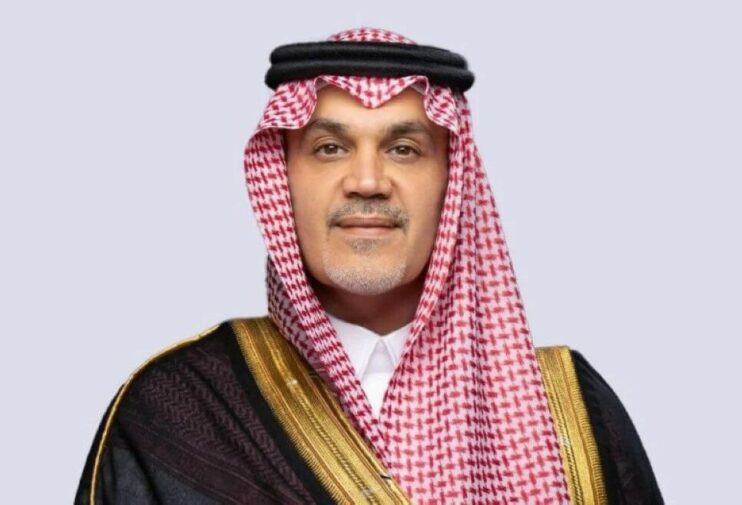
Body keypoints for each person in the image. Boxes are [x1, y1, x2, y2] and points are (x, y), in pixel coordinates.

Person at [75, 27, 664, 505]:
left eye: (403, 149)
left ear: (451, 183)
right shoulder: (181, 410)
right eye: (329, 148)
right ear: (283, 179)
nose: (366, 181)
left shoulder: (571, 413)